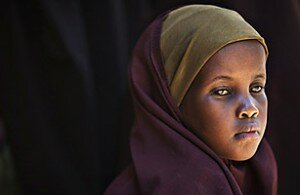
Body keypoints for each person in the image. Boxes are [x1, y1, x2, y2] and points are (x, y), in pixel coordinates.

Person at [105, 4, 277, 195]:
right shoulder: (173, 188)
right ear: (172, 100)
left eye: (256, 87)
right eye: (222, 91)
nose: (250, 108)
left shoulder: (258, 169)